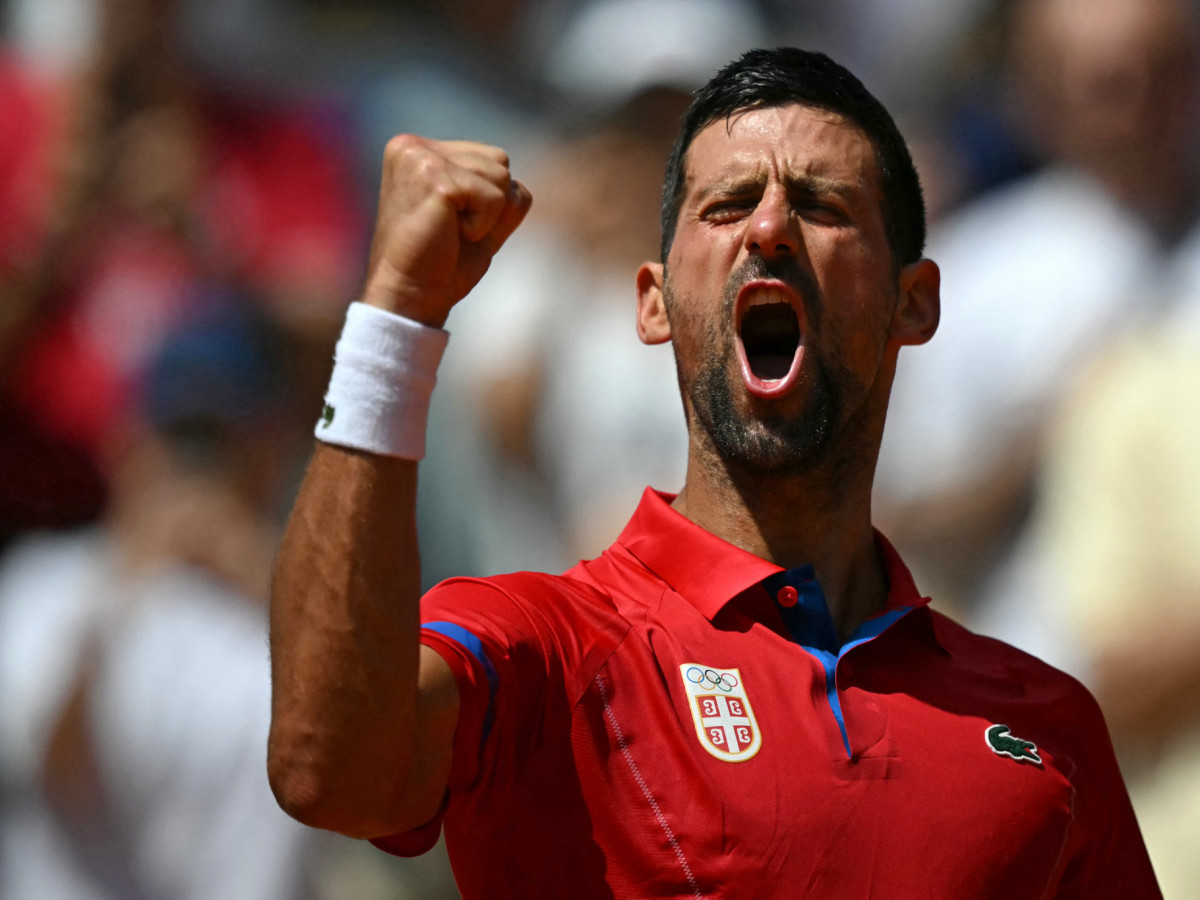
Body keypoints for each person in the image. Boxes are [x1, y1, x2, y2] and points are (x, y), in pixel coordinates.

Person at [268, 48, 1159, 897]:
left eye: (821, 205)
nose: (769, 229)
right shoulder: (545, 649)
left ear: (913, 301)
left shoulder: (1047, 727)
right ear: (654, 302)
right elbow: (329, 768)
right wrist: (394, 315)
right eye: (728, 205)